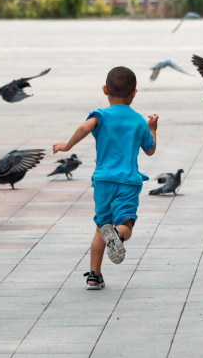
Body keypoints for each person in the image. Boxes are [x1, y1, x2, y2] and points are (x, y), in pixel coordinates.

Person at [53, 66, 158, 290]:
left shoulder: (100, 115)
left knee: (102, 225)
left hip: (102, 181)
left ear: (104, 90)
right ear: (134, 93)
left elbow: (84, 127)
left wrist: (66, 145)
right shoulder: (139, 121)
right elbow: (150, 150)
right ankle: (118, 238)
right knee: (125, 222)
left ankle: (94, 276)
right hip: (128, 182)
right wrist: (153, 129)